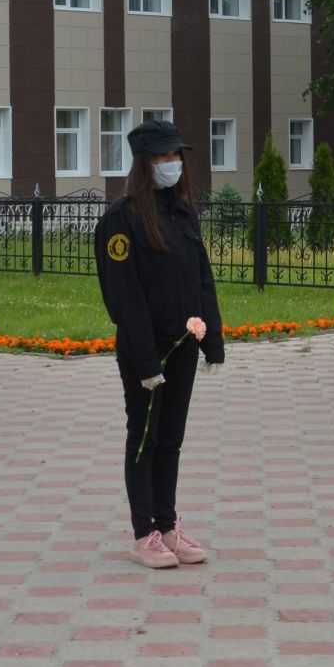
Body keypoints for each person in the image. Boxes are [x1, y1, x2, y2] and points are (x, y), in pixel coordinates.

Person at [94, 120, 226, 568]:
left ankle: (169, 527)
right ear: (144, 163)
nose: (171, 164)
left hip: (184, 346)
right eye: (162, 157)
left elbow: (201, 279)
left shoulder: (182, 212)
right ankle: (143, 533)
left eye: (175, 157)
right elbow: (124, 298)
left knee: (171, 440)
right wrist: (147, 362)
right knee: (144, 438)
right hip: (145, 353)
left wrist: (213, 340)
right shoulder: (121, 220)